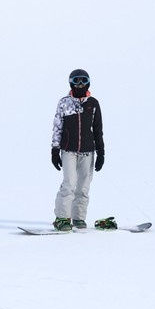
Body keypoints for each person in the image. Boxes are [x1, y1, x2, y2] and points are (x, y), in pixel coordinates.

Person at [50, 69, 105, 231]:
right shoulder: (64, 103)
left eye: (83, 81)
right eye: (76, 81)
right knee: (69, 184)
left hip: (88, 151)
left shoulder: (93, 103)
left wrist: (101, 152)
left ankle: (79, 218)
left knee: (83, 186)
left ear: (88, 82)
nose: (79, 84)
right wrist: (54, 150)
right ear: (70, 83)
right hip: (69, 150)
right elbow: (57, 127)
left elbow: (97, 129)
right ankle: (62, 218)